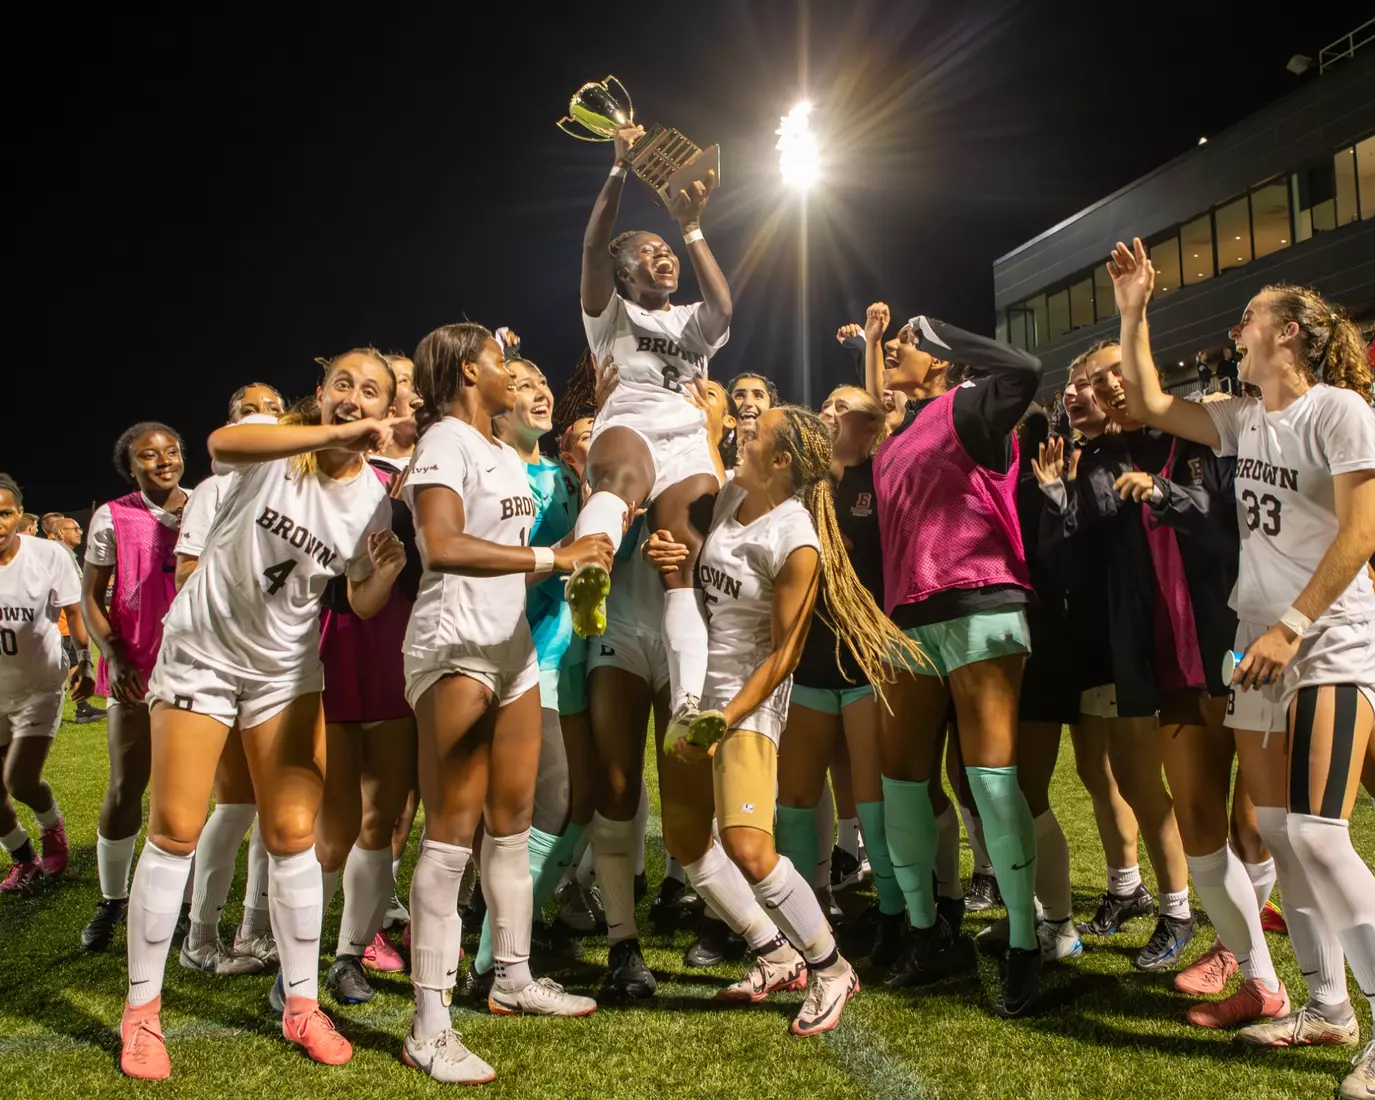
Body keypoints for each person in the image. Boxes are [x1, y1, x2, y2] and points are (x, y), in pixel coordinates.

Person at [1110, 238, 1375, 1096]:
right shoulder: (1242, 416)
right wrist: (1132, 308)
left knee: (1313, 832)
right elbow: (1147, 401)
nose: (1238, 327)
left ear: (1290, 333)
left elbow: (1361, 534)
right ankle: (1328, 1007)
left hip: (1324, 636)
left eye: (1251, 317)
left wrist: (1294, 625)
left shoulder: (1337, 410)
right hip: (1256, 644)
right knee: (1285, 846)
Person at [117, 349, 407, 1079]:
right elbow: (221, 444)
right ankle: (142, 1013)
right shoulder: (278, 447)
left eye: (370, 390)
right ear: (321, 393)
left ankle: (302, 1005)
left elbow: (354, 597)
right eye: (342, 383)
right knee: (176, 829)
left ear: (386, 406)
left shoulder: (376, 496)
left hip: (284, 672)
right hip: (203, 658)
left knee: (292, 836)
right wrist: (324, 434)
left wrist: (383, 575)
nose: (353, 396)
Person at [649, 405, 923, 1036]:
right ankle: (774, 954)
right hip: (695, 692)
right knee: (689, 842)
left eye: (755, 433)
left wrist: (726, 716)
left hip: (747, 701)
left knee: (748, 845)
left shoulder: (796, 537)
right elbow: (697, 587)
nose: (742, 431)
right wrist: (673, 565)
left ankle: (830, 968)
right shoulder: (729, 499)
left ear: (781, 462)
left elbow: (784, 654)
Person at [400, 322, 613, 1084]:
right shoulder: (442, 443)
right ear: (467, 371)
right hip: (453, 642)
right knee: (451, 833)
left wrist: (571, 566)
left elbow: (508, 558)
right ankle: (428, 1024)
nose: (509, 372)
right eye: (496, 362)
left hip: (510, 647)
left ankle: (513, 977)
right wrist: (555, 556)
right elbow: (441, 546)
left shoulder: (494, 451)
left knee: (512, 822)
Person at [861, 303, 1044, 1017]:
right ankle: (923, 931)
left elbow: (1026, 368)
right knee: (900, 779)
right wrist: (879, 346)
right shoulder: (896, 433)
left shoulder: (971, 405)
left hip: (980, 605)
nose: (902, 349)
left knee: (990, 781)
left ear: (937, 355)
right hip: (908, 617)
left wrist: (938, 332)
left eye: (912, 343)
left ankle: (1024, 944)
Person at [1035, 340, 1202, 973]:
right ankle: (1154, 897)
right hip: (1117, 637)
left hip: (1180, 634)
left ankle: (1190, 907)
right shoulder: (1094, 456)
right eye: (1078, 383)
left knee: (1173, 782)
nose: (1086, 390)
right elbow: (1074, 556)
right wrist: (1057, 498)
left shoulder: (1177, 433)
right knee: (1117, 774)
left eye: (1100, 377)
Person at [565, 120, 732, 749]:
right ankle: (590, 571)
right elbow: (592, 246)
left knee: (681, 561)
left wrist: (691, 228)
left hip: (688, 433)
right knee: (620, 480)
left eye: (666, 250)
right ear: (623, 274)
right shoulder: (609, 314)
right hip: (630, 419)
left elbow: (724, 310)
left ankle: (689, 707)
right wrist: (618, 167)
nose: (659, 256)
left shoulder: (690, 319)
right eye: (647, 251)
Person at [465, 351, 595, 998]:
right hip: (509, 656)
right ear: (494, 401)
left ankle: (502, 942)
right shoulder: (487, 469)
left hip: (565, 653)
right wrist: (562, 557)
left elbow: (590, 553)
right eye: (518, 384)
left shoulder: (565, 478)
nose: (537, 391)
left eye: (541, 381)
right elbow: (485, 561)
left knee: (569, 801)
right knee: (538, 801)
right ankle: (489, 958)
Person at [776, 385, 907, 966]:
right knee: (797, 797)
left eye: (844, 408)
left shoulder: (882, 481)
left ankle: (895, 915)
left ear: (873, 425)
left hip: (866, 663)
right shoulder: (798, 489)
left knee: (873, 799)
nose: (829, 414)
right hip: (806, 664)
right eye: (826, 406)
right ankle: (809, 917)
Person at [175, 383, 285, 978]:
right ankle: (200, 933)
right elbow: (187, 569)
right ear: (230, 423)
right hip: (224, 661)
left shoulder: (297, 489)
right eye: (250, 412)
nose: (264, 421)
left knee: (278, 809)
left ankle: (254, 931)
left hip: (280, 663)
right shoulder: (214, 489)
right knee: (236, 803)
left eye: (274, 411)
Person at [80, 422, 190, 953]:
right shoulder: (113, 515)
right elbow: (90, 598)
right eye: (149, 455)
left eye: (171, 451)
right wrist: (113, 655)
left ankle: (187, 906)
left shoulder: (206, 504)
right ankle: (113, 899)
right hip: (136, 665)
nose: (163, 460)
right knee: (127, 784)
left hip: (196, 664)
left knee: (189, 790)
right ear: (131, 467)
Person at [0, 474, 93, 891]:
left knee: (19, 780)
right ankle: (23, 858)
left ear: (20, 516)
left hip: (39, 686)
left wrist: (84, 661)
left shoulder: (49, 555)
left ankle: (51, 827)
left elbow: (74, 611)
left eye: (4, 513)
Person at [46, 515, 103, 724]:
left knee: (67, 663)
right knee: (66, 665)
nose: (80, 532)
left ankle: (77, 708)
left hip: (63, 621)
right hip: (64, 621)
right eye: (75, 528)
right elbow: (77, 588)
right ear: (61, 532)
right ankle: (76, 709)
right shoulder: (61, 553)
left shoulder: (62, 552)